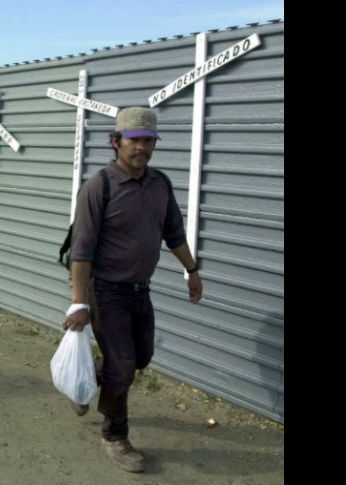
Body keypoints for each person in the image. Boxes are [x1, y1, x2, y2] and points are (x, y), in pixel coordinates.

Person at [62, 107, 203, 473]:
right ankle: (115, 436)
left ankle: (94, 376)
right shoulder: (100, 187)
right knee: (123, 367)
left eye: (148, 140)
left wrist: (192, 270)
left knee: (140, 358)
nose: (141, 147)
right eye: (134, 140)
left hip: (140, 290)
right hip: (105, 291)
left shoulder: (160, 184)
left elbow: (173, 232)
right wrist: (78, 303)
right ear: (116, 142)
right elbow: (81, 251)